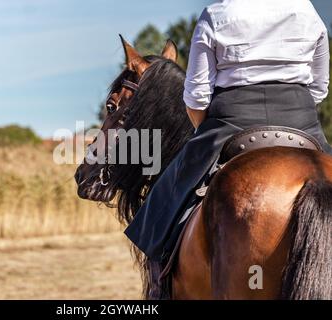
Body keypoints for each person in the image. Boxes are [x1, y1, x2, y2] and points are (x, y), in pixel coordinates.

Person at [124, 0, 332, 299]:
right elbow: (319, 87)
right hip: (301, 120)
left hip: (230, 122)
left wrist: (203, 132)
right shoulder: (306, 10)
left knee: (163, 203)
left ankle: (159, 289)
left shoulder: (216, 14)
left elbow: (196, 98)